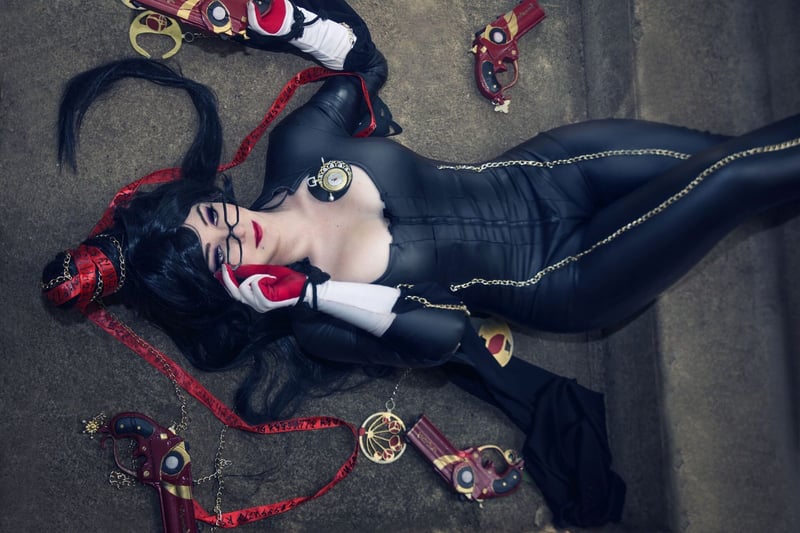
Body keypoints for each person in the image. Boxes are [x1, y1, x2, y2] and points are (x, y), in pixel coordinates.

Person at [41, 0, 800, 527]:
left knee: (733, 156)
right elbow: (442, 335)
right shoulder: (318, 322)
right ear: (223, 291)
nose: (232, 232)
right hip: (565, 273)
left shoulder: (297, 150)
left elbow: (361, 65)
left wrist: (282, 23)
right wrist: (310, 295)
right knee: (729, 179)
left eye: (211, 218)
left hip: (552, 168)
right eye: (217, 258)